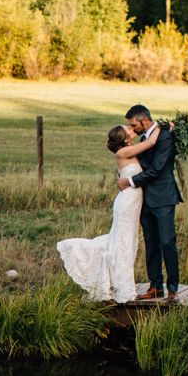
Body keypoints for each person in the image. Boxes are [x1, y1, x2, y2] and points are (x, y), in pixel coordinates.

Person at [56, 125, 158, 304]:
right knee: (122, 243)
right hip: (126, 203)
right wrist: (162, 126)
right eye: (128, 128)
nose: (131, 128)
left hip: (133, 201)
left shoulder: (129, 151)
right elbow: (151, 141)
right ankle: (122, 289)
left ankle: (117, 284)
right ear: (125, 139)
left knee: (127, 242)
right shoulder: (123, 153)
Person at [120, 104, 182, 301]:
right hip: (145, 199)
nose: (133, 129)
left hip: (163, 198)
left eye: (134, 125)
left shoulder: (164, 137)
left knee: (167, 242)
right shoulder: (145, 138)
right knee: (151, 244)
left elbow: (155, 169)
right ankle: (155, 286)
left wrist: (129, 181)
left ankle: (172, 288)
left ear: (144, 120)